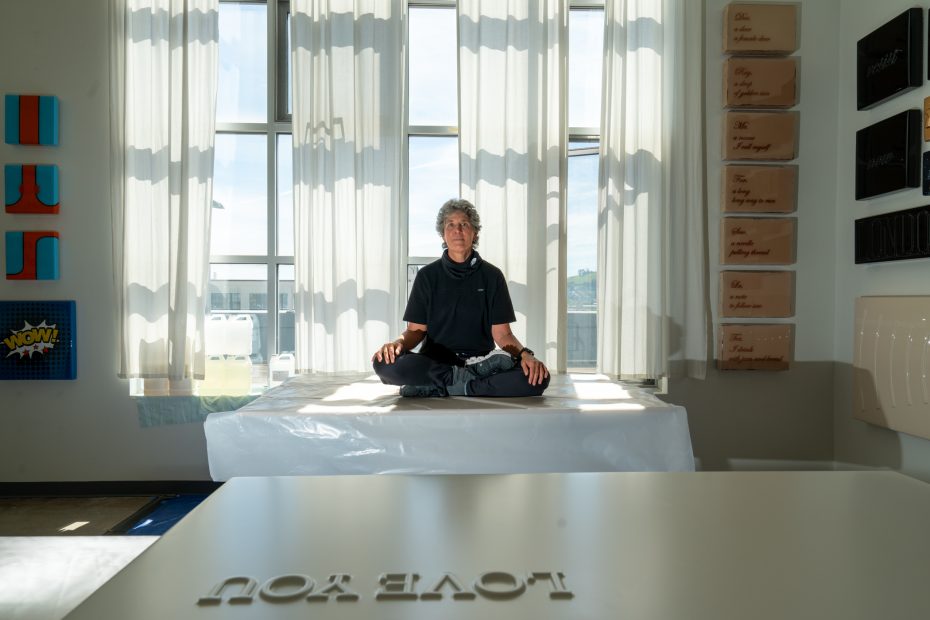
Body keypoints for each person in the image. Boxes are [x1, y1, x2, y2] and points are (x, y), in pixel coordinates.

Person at [372, 198, 550, 397]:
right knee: (382, 363)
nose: (458, 230)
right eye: (451, 225)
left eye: (464, 224)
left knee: (539, 377)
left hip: (482, 363)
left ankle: (440, 385)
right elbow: (415, 331)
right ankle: (465, 383)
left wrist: (526, 354)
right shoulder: (427, 276)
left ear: (474, 233)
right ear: (443, 233)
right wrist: (397, 344)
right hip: (434, 362)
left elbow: (503, 334)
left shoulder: (492, 276)